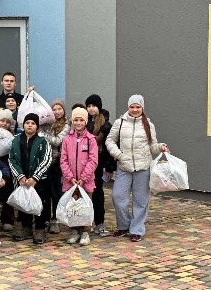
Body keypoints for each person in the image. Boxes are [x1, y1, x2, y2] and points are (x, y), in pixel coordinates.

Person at [106, 94, 169, 242]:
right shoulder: (119, 122)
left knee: (141, 201)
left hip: (143, 168)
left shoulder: (148, 124)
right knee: (118, 197)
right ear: (128, 107)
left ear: (142, 108)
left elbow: (153, 146)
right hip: (124, 167)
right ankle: (124, 225)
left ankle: (136, 230)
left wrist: (160, 147)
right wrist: (119, 155)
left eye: (138, 107)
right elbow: (110, 140)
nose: (135, 109)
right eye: (132, 107)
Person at [10, 113, 52, 244]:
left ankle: (40, 229)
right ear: (23, 125)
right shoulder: (16, 140)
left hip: (39, 180)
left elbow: (47, 159)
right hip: (22, 179)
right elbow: (12, 159)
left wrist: (35, 177)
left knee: (40, 203)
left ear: (37, 127)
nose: (30, 125)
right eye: (27, 123)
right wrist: (20, 176)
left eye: (33, 123)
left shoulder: (43, 141)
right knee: (24, 203)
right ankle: (26, 227)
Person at [60, 107, 98, 246]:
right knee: (73, 207)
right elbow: (63, 160)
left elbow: (93, 160)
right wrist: (70, 177)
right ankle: (74, 231)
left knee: (85, 207)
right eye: (76, 119)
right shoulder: (67, 139)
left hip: (85, 181)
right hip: (70, 182)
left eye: (81, 120)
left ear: (86, 122)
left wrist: (84, 178)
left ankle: (85, 232)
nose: (78, 122)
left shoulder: (91, 139)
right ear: (72, 120)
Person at [85, 94, 115, 237]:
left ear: (99, 107)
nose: (91, 109)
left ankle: (100, 223)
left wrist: (109, 167)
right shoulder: (85, 122)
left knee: (98, 194)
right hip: (84, 164)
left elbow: (109, 148)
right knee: (85, 194)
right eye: (89, 106)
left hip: (98, 165)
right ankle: (86, 223)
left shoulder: (105, 125)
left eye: (93, 106)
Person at [39, 100, 70, 234]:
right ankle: (45, 219)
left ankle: (55, 219)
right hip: (43, 162)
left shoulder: (67, 124)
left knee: (56, 193)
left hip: (56, 162)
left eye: (59, 109)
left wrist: (42, 135)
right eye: (54, 109)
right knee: (44, 192)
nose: (57, 112)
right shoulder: (46, 123)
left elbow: (58, 141)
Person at [0, 109, 16, 231]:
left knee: (7, 192)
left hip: (7, 165)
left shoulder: (12, 135)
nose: (4, 124)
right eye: (2, 121)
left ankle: (8, 220)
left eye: (7, 122)